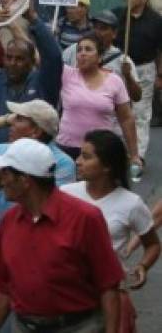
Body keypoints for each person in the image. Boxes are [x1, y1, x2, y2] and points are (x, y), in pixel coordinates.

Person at [0, 138, 126, 333]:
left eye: (6, 173)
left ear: (25, 181)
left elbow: (108, 284)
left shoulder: (85, 218)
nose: (2, 180)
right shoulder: (9, 221)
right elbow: (2, 286)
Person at [0, 100, 77, 333]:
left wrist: (0, 180)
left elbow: (55, 208)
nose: (12, 123)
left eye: (20, 119)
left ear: (36, 130)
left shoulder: (62, 164)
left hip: (43, 254)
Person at [62, 130, 160, 333]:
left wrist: (143, 266)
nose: (78, 161)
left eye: (86, 157)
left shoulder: (131, 204)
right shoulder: (65, 194)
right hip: (66, 291)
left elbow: (152, 244)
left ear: (107, 166)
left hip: (109, 294)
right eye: (80, 155)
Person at [0, 4, 62, 148]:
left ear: (32, 62)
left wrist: (33, 19)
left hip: (32, 160)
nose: (13, 63)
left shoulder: (43, 82)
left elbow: (54, 57)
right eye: (9, 57)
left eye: (20, 59)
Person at [57, 33, 141, 171]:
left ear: (100, 57)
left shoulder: (115, 81)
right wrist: (15, 25)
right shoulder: (66, 74)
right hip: (67, 149)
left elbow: (126, 118)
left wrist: (134, 155)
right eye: (79, 50)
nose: (82, 53)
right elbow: (40, 57)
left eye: (88, 49)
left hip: (101, 151)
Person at [115, 0, 162, 162]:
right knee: (120, 110)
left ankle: (138, 155)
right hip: (121, 66)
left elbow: (160, 49)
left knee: (141, 113)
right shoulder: (119, 15)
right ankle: (120, 152)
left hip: (144, 68)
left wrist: (160, 74)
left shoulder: (156, 21)